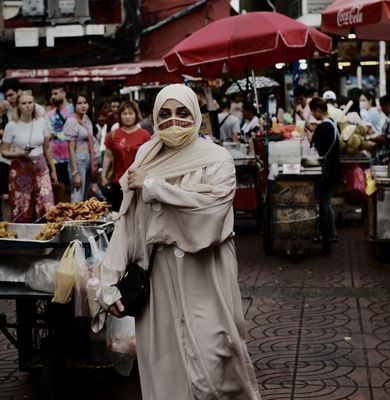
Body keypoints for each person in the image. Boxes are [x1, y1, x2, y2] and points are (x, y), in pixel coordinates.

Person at [98, 84, 260, 399]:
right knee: (165, 372)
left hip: (206, 280)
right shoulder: (145, 157)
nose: (174, 122)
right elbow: (129, 223)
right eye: (166, 114)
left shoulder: (217, 159)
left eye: (183, 113)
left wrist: (156, 187)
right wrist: (109, 280)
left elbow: (210, 215)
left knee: (214, 367)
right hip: (158, 283)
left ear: (196, 114)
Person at [0, 92, 57, 222]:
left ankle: (49, 238)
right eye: (24, 103)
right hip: (20, 168)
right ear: (18, 106)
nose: (27, 106)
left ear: (34, 104)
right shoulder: (11, 126)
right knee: (22, 208)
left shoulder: (41, 122)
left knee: (47, 205)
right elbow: (4, 151)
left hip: (41, 167)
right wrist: (17, 154)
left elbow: (47, 147)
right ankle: (22, 239)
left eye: (30, 103)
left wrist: (53, 169)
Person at [101, 100, 151, 210]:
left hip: (137, 182)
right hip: (117, 182)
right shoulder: (113, 134)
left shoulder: (145, 135)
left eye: (130, 113)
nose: (127, 117)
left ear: (136, 115)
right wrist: (103, 176)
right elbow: (108, 156)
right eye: (124, 114)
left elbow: (150, 158)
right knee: (118, 215)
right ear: (119, 116)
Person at [308, 97, 340, 243]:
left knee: (324, 203)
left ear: (319, 110)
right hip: (333, 168)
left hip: (325, 170)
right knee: (326, 202)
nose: (313, 115)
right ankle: (332, 232)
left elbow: (315, 147)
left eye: (313, 112)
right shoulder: (333, 124)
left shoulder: (323, 127)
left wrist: (310, 132)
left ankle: (327, 234)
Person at [63, 93, 97, 202]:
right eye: (79, 103)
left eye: (85, 103)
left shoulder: (86, 119)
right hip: (78, 160)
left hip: (89, 159)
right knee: (77, 197)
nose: (83, 106)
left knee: (86, 197)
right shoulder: (71, 121)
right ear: (74, 105)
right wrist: (75, 173)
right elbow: (71, 150)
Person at [47, 84, 74, 203]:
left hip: (72, 157)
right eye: (52, 94)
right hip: (56, 159)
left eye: (56, 93)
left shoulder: (74, 110)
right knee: (59, 188)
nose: (53, 96)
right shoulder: (49, 114)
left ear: (63, 93)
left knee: (73, 189)